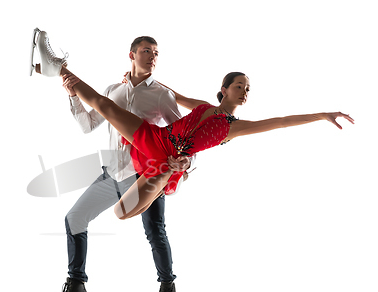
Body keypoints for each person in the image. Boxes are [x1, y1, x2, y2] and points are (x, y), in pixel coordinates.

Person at [34, 29, 354, 223]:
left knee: (123, 211)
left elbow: (280, 122)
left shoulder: (233, 127)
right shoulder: (202, 106)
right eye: (239, 86)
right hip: (155, 136)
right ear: (224, 89)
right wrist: (133, 79)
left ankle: (157, 187)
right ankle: (56, 66)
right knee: (106, 104)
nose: (244, 92)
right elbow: (170, 92)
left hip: (166, 162)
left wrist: (323, 115)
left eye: (247, 89)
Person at [30, 28, 208, 292]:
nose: (152, 57)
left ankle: (167, 286)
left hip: (144, 176)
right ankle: (76, 288)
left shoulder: (162, 95)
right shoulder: (114, 90)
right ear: (132, 55)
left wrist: (186, 163)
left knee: (155, 233)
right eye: (147, 51)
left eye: (156, 53)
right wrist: (74, 98)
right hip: (112, 174)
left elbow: (186, 136)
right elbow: (88, 125)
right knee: (74, 218)